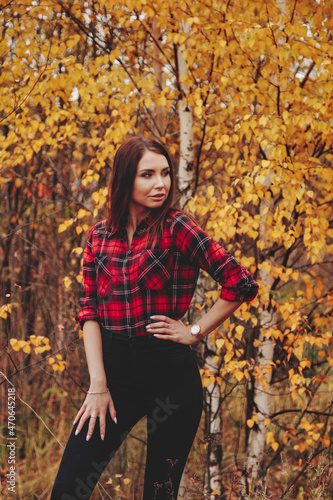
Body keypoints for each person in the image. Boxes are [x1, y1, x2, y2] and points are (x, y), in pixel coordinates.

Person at [51, 136, 258, 500]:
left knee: (158, 494)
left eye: (165, 173)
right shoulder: (99, 236)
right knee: (67, 490)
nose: (160, 183)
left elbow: (240, 283)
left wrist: (194, 331)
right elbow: (89, 311)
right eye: (147, 174)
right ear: (124, 180)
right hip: (113, 379)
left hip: (170, 378)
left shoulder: (178, 227)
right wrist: (98, 383)